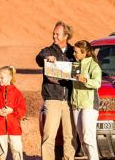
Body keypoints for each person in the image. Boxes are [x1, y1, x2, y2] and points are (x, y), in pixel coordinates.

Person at [36, 20, 77, 160]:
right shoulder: (48, 50)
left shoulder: (74, 52)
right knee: (48, 136)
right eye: (53, 33)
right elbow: (39, 58)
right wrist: (47, 58)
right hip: (52, 98)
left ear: (66, 36)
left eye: (57, 34)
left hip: (70, 100)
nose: (54, 36)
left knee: (70, 136)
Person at [0, 65, 26, 160]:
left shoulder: (17, 92)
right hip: (0, 127)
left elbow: (22, 109)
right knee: (1, 151)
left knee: (16, 148)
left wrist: (12, 111)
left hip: (14, 127)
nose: (0, 80)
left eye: (2, 78)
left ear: (10, 78)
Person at [71, 41, 102, 160]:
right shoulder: (75, 65)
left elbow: (97, 83)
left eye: (76, 52)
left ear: (85, 53)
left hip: (89, 104)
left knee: (88, 138)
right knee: (83, 139)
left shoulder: (93, 66)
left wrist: (85, 80)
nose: (74, 54)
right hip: (76, 104)